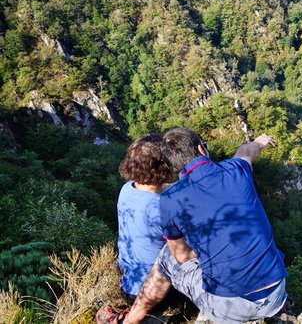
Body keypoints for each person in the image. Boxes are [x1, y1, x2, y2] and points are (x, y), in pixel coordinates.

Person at [122, 128, 287, 324]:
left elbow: (182, 257)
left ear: (171, 165)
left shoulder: (170, 199)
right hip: (276, 294)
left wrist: (206, 248)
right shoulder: (236, 169)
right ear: (201, 149)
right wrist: (259, 142)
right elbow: (245, 151)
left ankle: (130, 320)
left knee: (167, 255)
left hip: (229, 310)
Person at [110, 134, 187, 323]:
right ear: (166, 165)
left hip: (129, 286)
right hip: (156, 296)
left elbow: (160, 188)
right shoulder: (164, 208)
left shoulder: (128, 189)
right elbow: (183, 255)